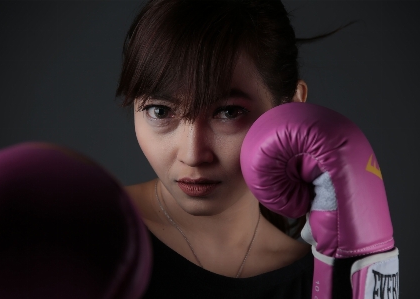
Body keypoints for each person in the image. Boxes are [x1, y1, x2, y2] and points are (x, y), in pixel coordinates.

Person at [115, 0, 315, 297]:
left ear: (291, 108)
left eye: (229, 112)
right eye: (160, 111)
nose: (193, 155)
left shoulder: (317, 282)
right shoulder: (92, 230)